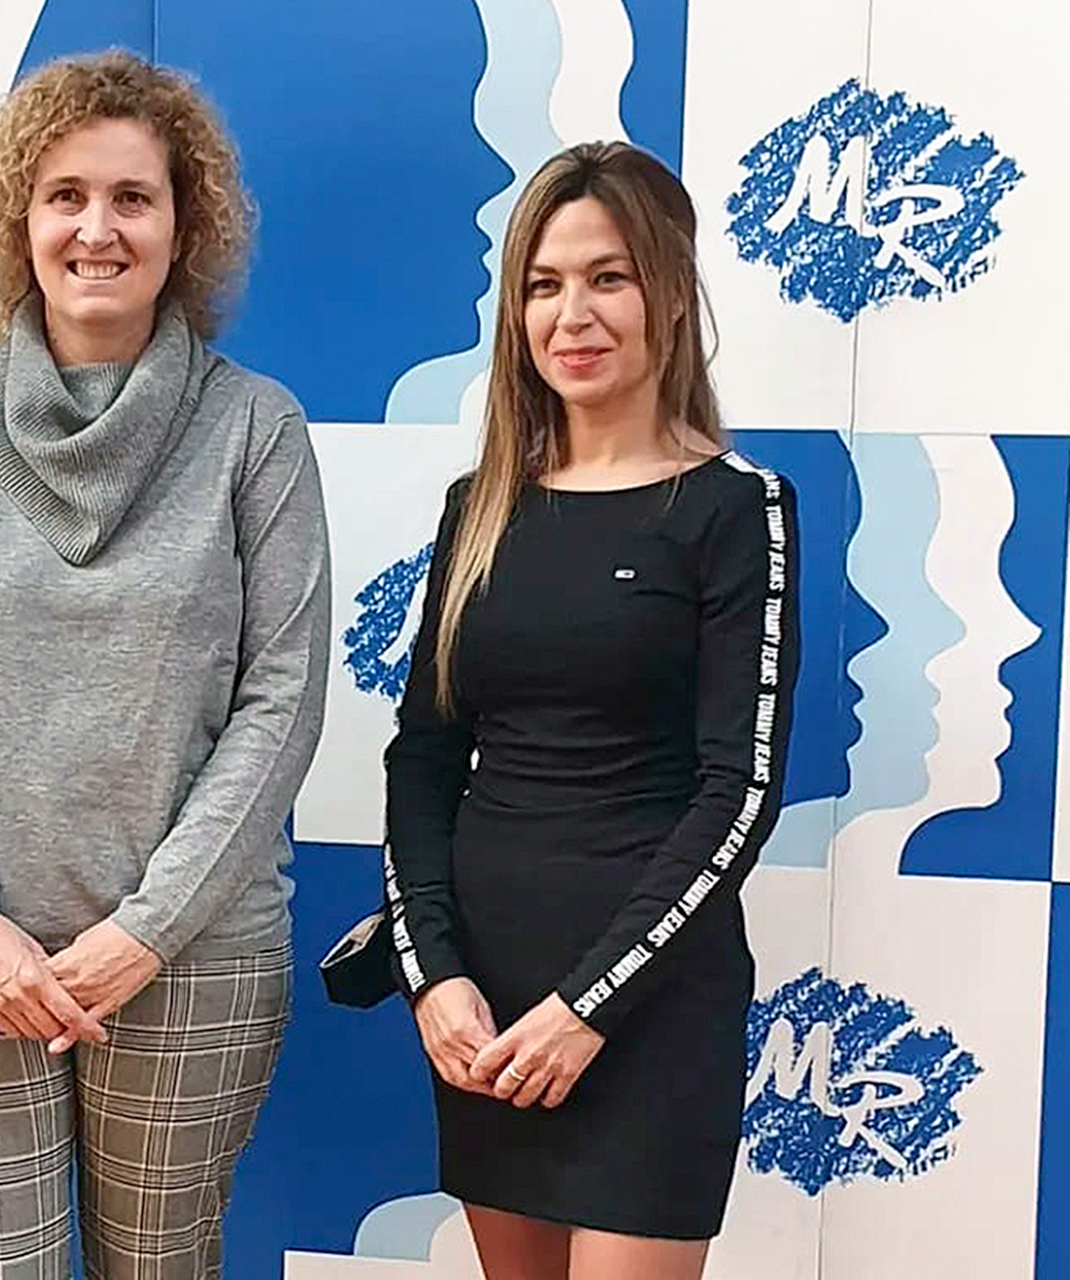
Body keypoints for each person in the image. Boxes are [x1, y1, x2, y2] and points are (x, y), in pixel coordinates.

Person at [0, 51, 331, 1279]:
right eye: (65, 195)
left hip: (192, 952)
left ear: (185, 227)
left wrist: (146, 931)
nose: (97, 229)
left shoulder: (256, 428)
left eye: (133, 198)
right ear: (21, 222)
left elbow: (281, 700)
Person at [382, 141, 799, 1280]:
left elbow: (739, 791)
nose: (573, 315)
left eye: (608, 277)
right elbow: (423, 759)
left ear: (670, 293)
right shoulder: (479, 507)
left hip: (649, 1010)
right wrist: (435, 976)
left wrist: (590, 1005)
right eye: (544, 284)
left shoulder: (738, 509)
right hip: (489, 1006)